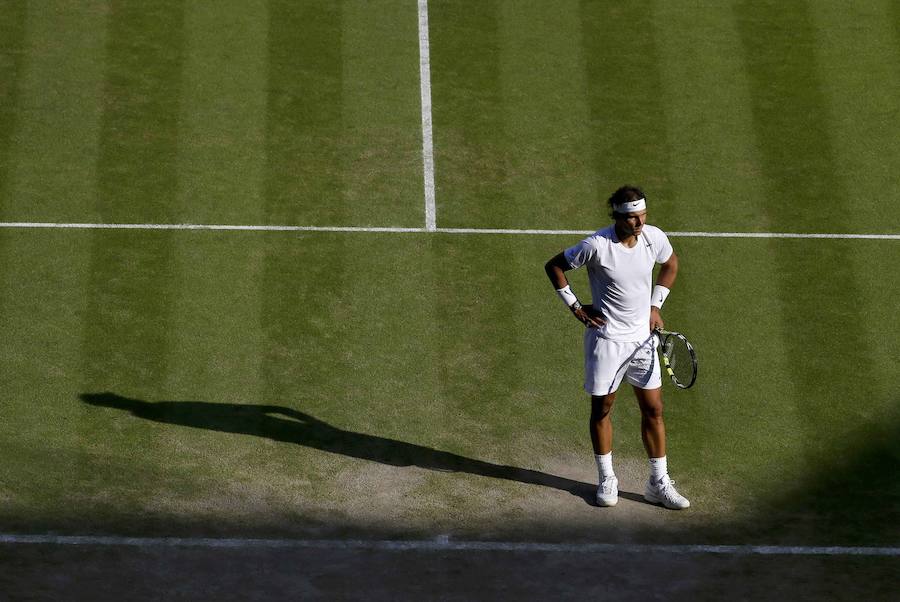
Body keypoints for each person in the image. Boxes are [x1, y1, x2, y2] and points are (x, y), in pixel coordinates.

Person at [544, 186, 690, 509]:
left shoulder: (653, 238)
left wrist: (655, 305)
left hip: (643, 341)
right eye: (632, 217)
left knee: (654, 410)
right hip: (607, 341)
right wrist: (576, 307)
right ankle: (607, 477)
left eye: (643, 215)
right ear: (618, 217)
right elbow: (554, 266)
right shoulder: (596, 245)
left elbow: (671, 263)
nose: (639, 222)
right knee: (602, 409)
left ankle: (658, 482)